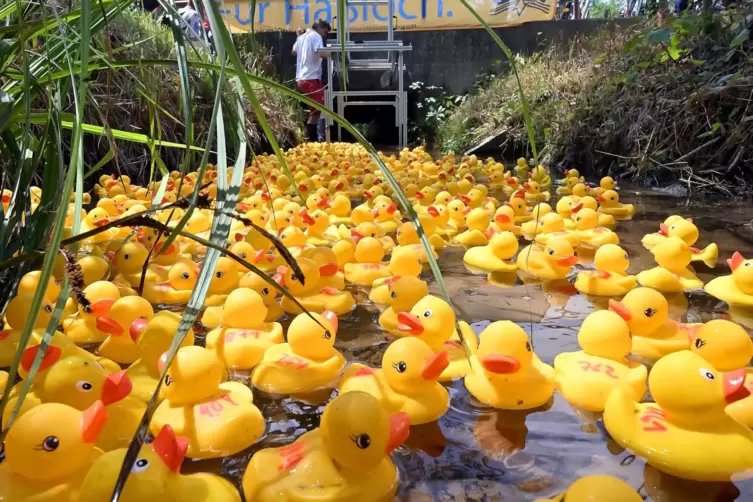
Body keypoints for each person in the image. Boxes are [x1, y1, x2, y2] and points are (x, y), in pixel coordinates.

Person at [292, 20, 331, 143]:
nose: (325, 35)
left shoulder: (302, 37)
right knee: (322, 107)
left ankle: (312, 140)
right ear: (319, 27)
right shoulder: (315, 36)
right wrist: (334, 53)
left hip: (301, 79)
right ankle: (317, 139)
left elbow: (293, 52)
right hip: (310, 78)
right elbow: (320, 53)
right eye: (325, 31)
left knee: (315, 111)